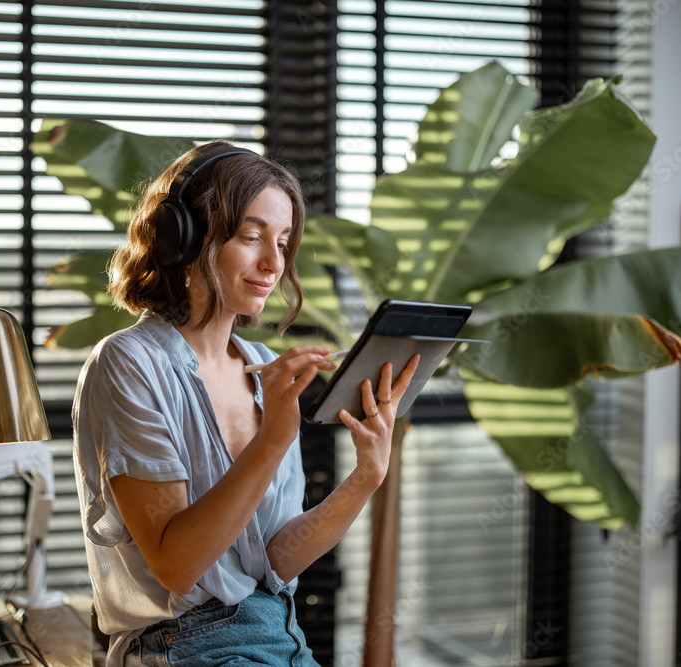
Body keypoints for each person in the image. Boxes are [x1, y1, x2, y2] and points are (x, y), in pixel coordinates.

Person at [72, 141, 420, 666]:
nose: (273, 263)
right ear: (184, 238)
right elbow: (177, 566)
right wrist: (274, 437)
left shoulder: (264, 367)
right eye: (252, 237)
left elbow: (276, 560)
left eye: (282, 243)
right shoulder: (127, 363)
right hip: (183, 645)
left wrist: (367, 475)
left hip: (282, 634)